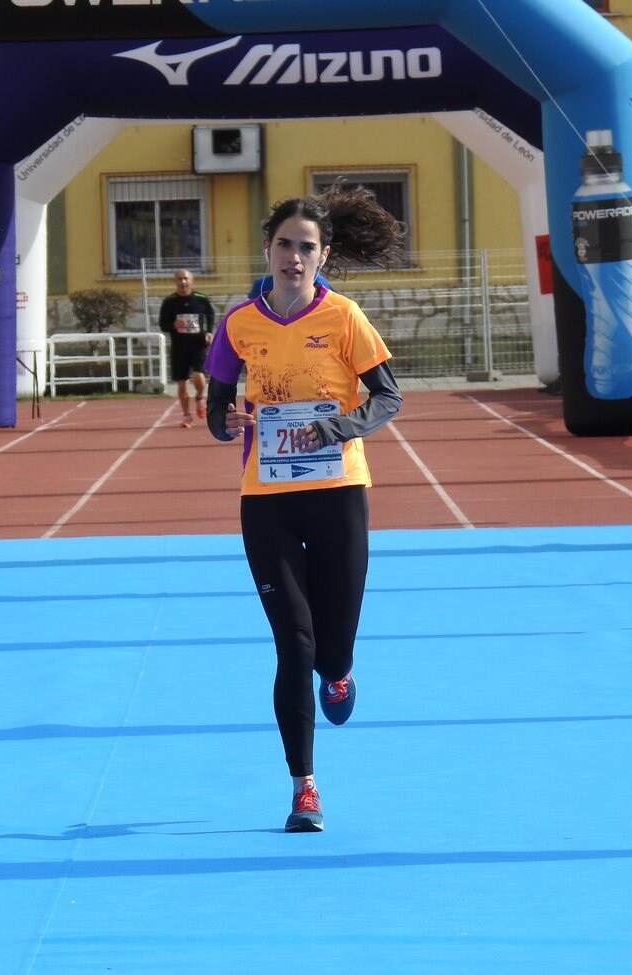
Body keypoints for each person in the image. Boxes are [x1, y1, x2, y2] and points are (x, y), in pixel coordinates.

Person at [204, 184, 405, 833]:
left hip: (339, 493)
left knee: (329, 647)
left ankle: (341, 673)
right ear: (268, 247)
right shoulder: (238, 322)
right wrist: (225, 421)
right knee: (293, 644)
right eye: (285, 244)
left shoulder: (345, 316)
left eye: (307, 247)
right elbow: (213, 409)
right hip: (267, 501)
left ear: (323, 255)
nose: (294, 256)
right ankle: (304, 787)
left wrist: (344, 425)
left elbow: (388, 397)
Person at [158, 269, 215, 427]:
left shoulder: (201, 299)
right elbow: (163, 325)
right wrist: (173, 325)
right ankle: (186, 415)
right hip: (179, 346)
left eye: (185, 279)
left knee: (198, 376)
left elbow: (210, 317)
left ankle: (199, 397)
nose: (183, 282)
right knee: (182, 383)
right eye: (179, 279)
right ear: (175, 282)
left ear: (191, 281)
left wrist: (209, 332)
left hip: (198, 344)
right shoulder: (169, 301)